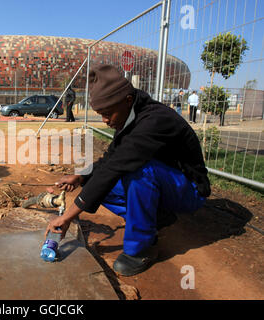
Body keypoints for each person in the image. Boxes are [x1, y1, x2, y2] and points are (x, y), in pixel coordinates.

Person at [45, 65, 211, 276]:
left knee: (138, 171)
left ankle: (142, 247)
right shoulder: (128, 117)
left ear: (127, 100)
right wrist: (81, 175)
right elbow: (111, 158)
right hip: (166, 184)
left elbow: (116, 166)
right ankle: (158, 217)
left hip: (189, 190)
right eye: (100, 114)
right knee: (96, 181)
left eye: (107, 114)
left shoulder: (154, 120)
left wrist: (67, 217)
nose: (105, 120)